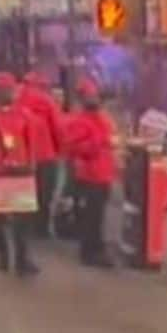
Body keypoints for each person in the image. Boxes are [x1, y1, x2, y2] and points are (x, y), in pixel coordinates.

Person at [0, 73, 40, 276]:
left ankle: (22, 259)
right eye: (4, 90)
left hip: (21, 173)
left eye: (11, 89)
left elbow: (32, 143)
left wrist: (31, 165)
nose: (8, 93)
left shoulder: (25, 114)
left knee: (24, 218)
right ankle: (3, 255)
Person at [63, 79, 119, 268]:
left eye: (95, 95)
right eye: (90, 95)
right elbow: (74, 148)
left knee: (98, 215)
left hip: (103, 174)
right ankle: (89, 253)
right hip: (89, 175)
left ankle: (97, 247)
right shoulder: (78, 121)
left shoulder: (102, 118)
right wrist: (99, 143)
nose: (94, 98)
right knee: (90, 216)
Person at [19, 72, 65, 237]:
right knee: (44, 193)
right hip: (46, 154)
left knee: (25, 193)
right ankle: (41, 228)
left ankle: (23, 226)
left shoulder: (15, 100)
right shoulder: (46, 101)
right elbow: (58, 127)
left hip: (22, 156)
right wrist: (61, 149)